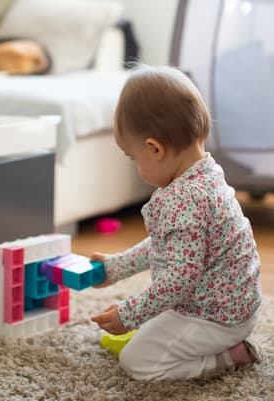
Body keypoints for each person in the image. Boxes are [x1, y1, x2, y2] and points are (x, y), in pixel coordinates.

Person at [90, 65, 262, 381]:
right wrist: (117, 267)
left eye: (133, 157)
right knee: (152, 322)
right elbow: (165, 247)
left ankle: (228, 356)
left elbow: (180, 276)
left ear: (154, 149)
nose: (135, 165)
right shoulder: (207, 173)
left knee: (137, 362)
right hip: (230, 303)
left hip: (214, 316)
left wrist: (129, 314)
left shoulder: (184, 199)